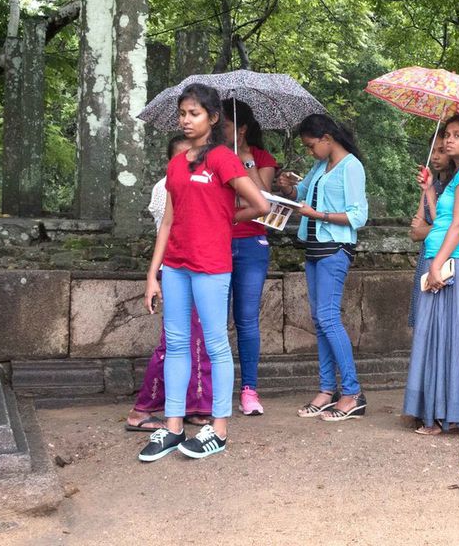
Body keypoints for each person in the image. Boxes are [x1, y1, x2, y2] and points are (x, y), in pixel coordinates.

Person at [139, 84, 269, 462]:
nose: (185, 120)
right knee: (177, 345)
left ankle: (220, 429)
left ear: (213, 118)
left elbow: (260, 204)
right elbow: (167, 221)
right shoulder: (176, 164)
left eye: (193, 113)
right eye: (182, 113)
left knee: (215, 344)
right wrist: (153, 274)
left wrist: (225, 217)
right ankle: (174, 427)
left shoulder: (224, 159)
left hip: (211, 265)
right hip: (176, 266)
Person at [403, 114, 459, 435]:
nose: (448, 140)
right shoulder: (458, 175)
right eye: (447, 135)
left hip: (454, 262)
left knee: (449, 339)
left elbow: (458, 225)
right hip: (441, 256)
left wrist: (436, 263)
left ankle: (446, 416)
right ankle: (438, 413)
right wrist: (429, 189)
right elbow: (441, 217)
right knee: (435, 337)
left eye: (457, 135)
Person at [277, 114, 368, 421]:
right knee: (319, 321)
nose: (309, 152)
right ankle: (327, 390)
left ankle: (353, 393)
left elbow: (358, 216)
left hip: (335, 249)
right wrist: (288, 188)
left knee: (329, 318)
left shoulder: (351, 166)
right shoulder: (320, 166)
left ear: (328, 138)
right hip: (314, 248)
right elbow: (300, 198)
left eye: (311, 145)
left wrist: (319, 215)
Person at [125, 134, 212, 432]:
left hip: (198, 269)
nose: (190, 160)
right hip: (176, 269)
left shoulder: (201, 181)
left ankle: (193, 405)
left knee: (198, 340)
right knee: (174, 344)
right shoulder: (166, 187)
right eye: (183, 156)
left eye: (195, 155)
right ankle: (142, 409)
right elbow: (175, 227)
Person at [221, 100, 278, 416]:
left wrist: (245, 162)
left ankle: (249, 390)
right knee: (217, 319)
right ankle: (215, 389)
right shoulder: (213, 158)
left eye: (227, 127)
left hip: (252, 245)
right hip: (217, 244)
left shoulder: (261, 158)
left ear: (241, 129)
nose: (222, 132)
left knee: (246, 319)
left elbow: (264, 200)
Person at [408, 136, 452, 328]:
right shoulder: (430, 186)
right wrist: (435, 228)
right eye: (433, 151)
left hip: (446, 256)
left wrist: (431, 226)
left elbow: (449, 228)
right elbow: (415, 233)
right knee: (423, 320)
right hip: (426, 256)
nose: (435, 156)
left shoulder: (454, 189)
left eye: (441, 151)